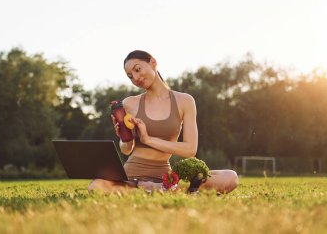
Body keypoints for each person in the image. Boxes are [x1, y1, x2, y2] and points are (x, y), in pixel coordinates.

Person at [88, 50, 238, 194]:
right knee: (96, 186)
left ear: (153, 62)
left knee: (229, 177)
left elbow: (190, 149)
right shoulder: (130, 103)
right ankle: (158, 190)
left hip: (166, 178)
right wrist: (124, 137)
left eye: (137, 69)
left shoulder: (184, 101)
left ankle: (154, 189)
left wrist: (148, 139)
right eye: (130, 76)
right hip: (132, 177)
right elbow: (126, 149)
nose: (135, 77)